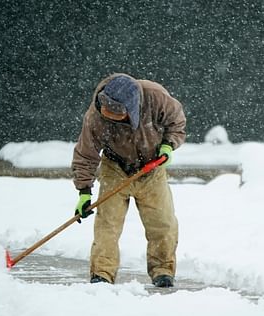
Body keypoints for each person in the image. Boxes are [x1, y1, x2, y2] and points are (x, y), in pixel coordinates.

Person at [71, 73, 186, 288]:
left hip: (152, 168)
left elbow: (177, 123)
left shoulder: (156, 97)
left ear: (131, 108)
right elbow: (86, 154)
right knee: (108, 225)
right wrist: (84, 191)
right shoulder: (95, 117)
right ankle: (102, 274)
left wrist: (169, 145)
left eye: (118, 115)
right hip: (115, 167)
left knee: (163, 223)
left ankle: (162, 271)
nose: (110, 117)